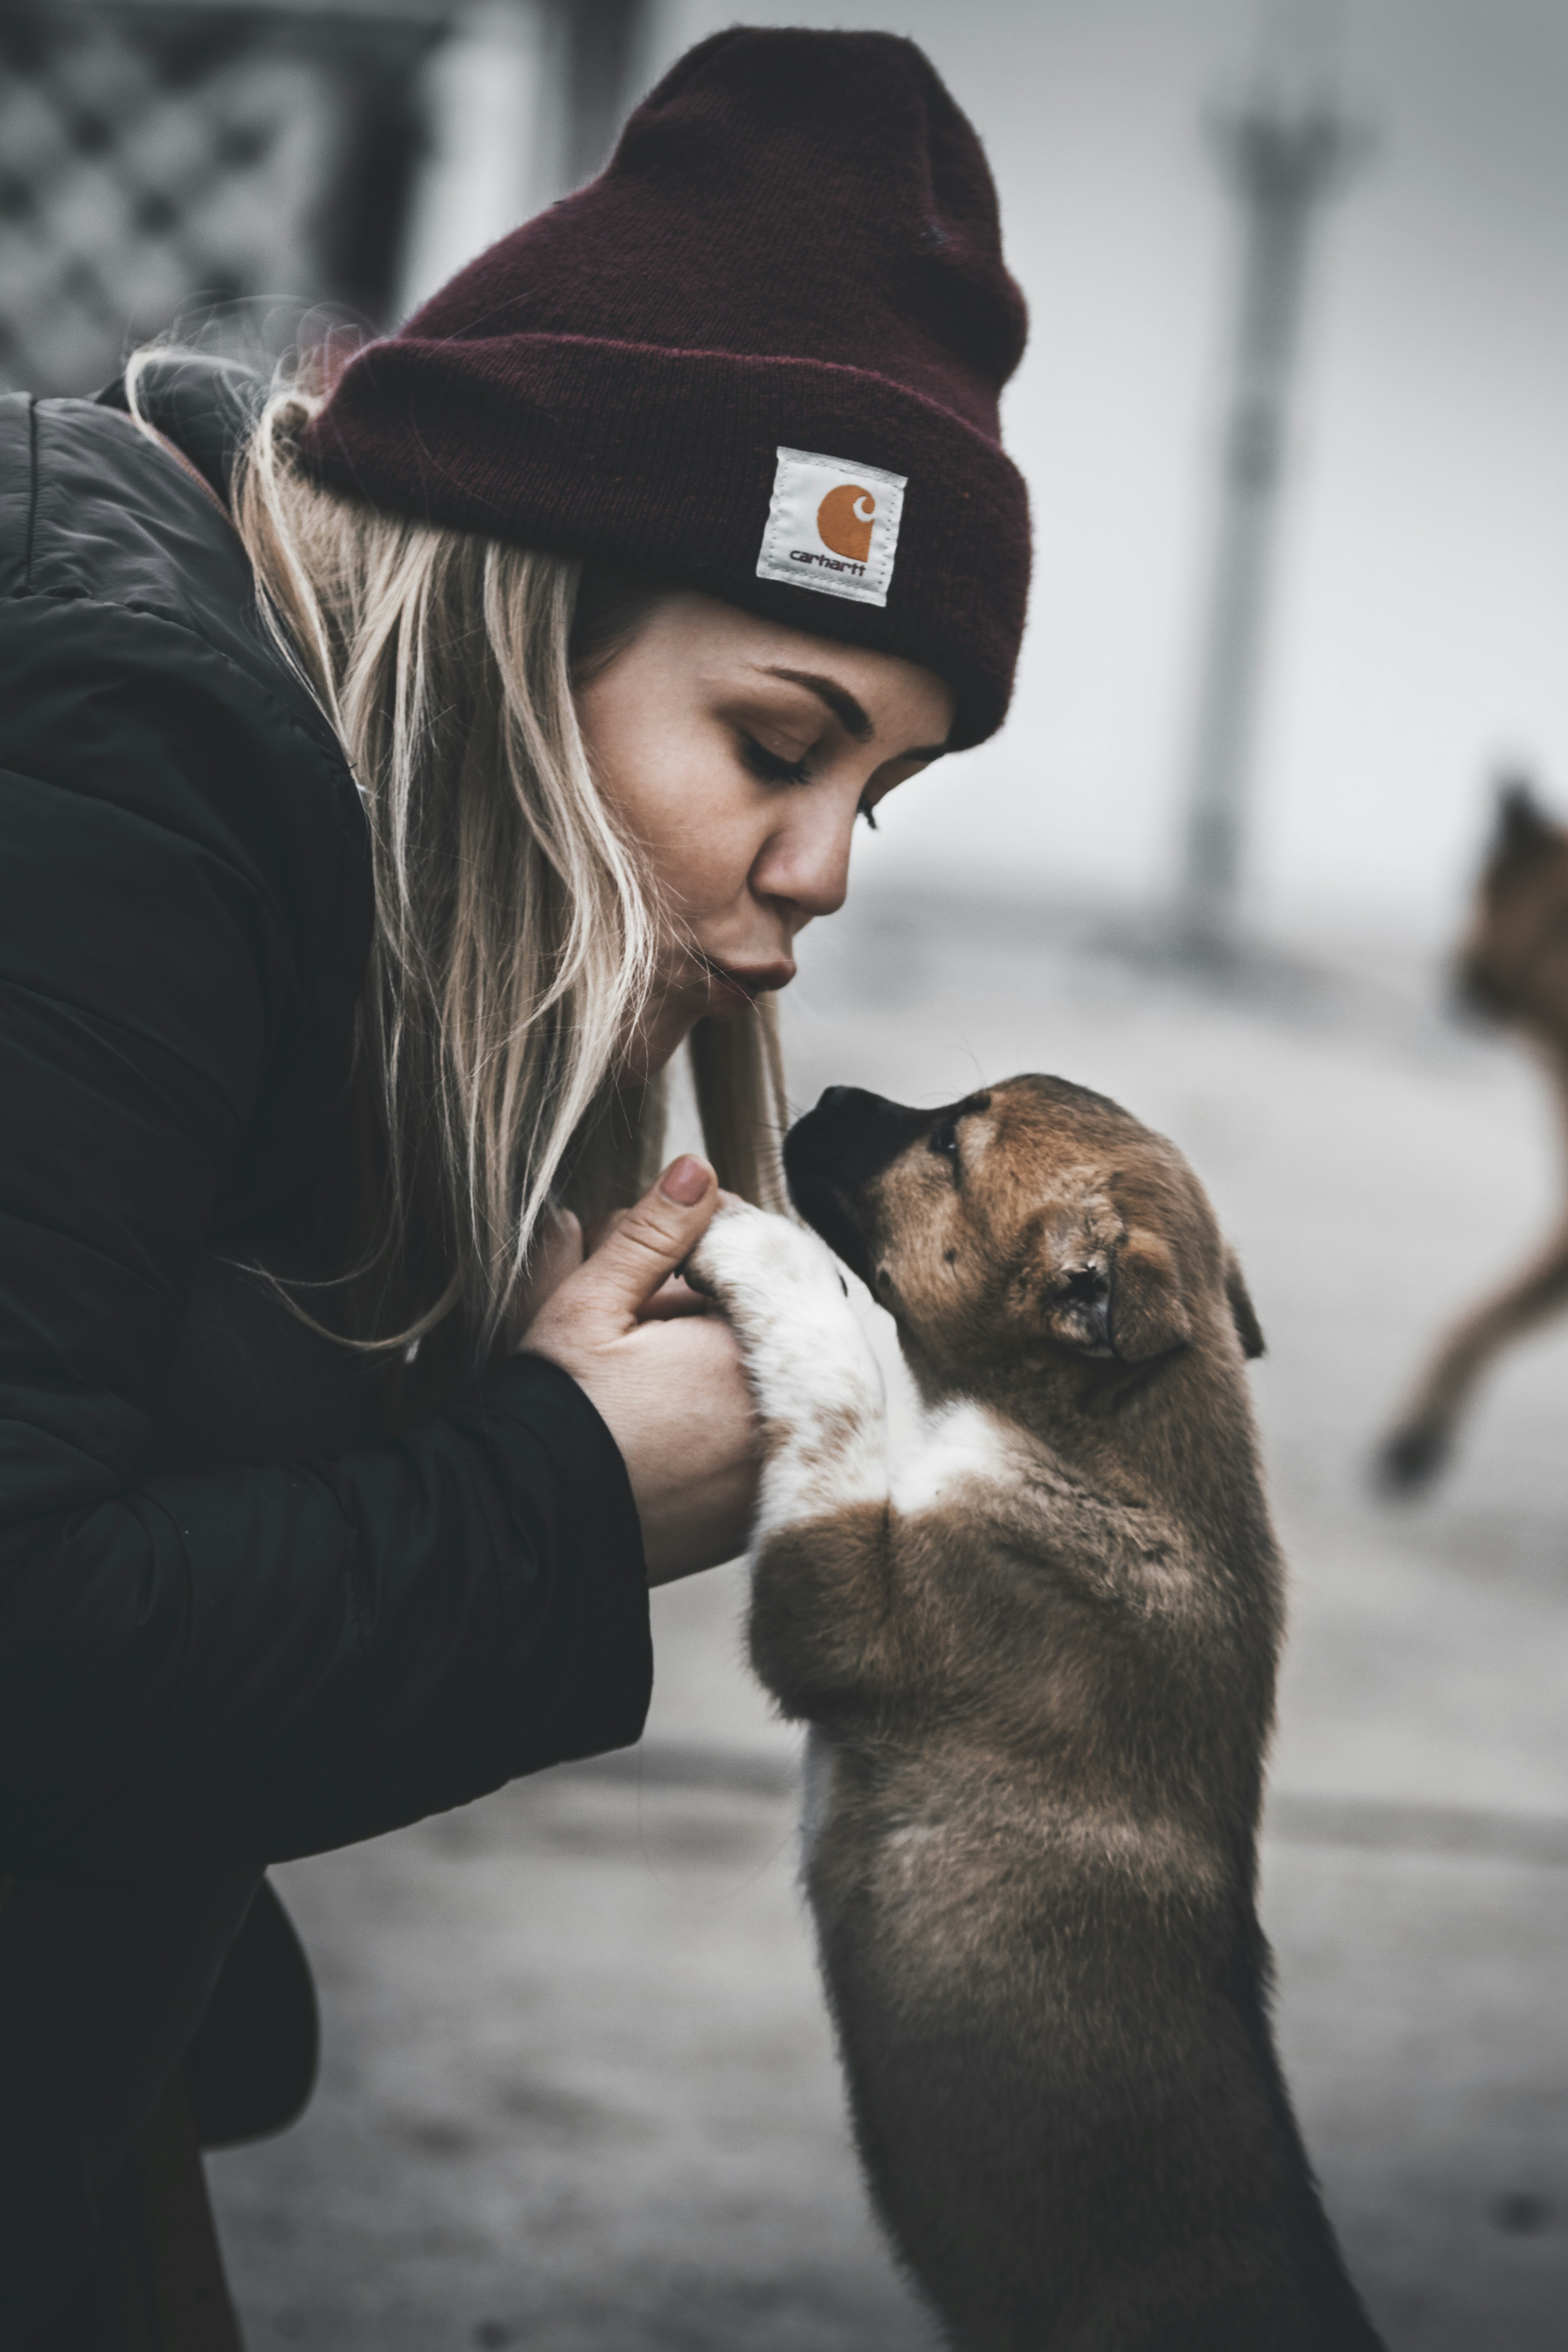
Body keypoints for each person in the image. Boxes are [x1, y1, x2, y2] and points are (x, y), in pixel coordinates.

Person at [0, 25, 1029, 2347]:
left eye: (881, 791)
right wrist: (554, 1496)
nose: (823, 874)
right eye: (779, 746)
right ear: (517, 608)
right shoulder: (127, 765)